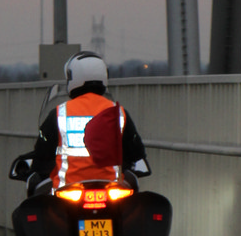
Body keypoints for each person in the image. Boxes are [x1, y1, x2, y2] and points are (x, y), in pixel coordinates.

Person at [26, 51, 150, 196]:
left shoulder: (60, 113)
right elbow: (136, 153)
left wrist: (36, 168)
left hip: (67, 191)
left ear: (73, 78)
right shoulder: (118, 113)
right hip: (111, 190)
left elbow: (42, 153)